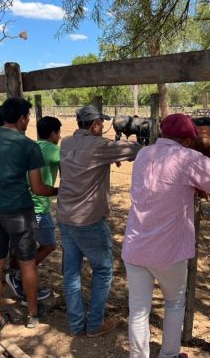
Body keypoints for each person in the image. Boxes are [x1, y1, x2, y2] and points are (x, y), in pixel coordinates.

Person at [121, 114, 210, 358]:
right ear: (187, 140)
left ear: (162, 133)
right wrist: (198, 184)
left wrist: (191, 184)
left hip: (135, 246)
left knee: (139, 310)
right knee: (174, 302)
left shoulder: (144, 153)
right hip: (168, 251)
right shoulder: (188, 158)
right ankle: (169, 354)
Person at [0, 97, 58, 337]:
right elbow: (38, 188)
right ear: (20, 118)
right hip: (19, 212)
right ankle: (33, 314)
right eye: (27, 117)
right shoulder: (29, 145)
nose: (28, 121)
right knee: (27, 263)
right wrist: (58, 190)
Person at [57, 105, 141, 337]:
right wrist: (113, 154)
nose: (102, 127)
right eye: (101, 124)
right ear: (94, 125)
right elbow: (135, 149)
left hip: (65, 216)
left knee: (71, 272)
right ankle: (94, 324)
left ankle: (76, 324)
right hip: (88, 219)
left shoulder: (66, 143)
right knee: (103, 270)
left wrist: (109, 157)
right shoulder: (99, 145)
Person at [6, 116, 62, 302]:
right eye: (58, 133)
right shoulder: (54, 151)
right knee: (49, 244)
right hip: (38, 206)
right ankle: (21, 277)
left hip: (22, 203)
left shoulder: (32, 146)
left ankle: (14, 273)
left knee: (22, 244)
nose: (59, 137)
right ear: (53, 133)